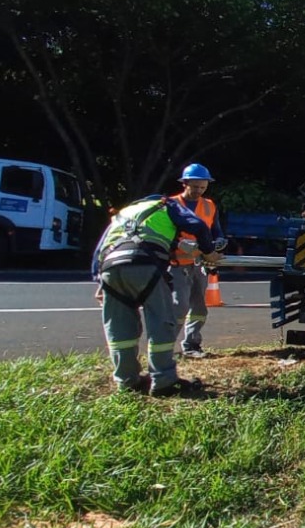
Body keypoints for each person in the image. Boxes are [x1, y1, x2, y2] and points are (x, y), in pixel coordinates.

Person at [92, 195, 222, 397]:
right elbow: (199, 225)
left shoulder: (123, 213)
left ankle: (127, 381)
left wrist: (99, 280)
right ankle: (163, 381)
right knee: (162, 322)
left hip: (110, 268)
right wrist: (209, 252)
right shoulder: (167, 205)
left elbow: (99, 249)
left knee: (119, 329)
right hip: (145, 264)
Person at [169, 163, 226, 359]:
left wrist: (219, 240)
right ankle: (166, 346)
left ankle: (192, 344)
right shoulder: (171, 204)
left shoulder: (209, 205)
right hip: (176, 263)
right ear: (185, 184)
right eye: (194, 187)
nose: (198, 191)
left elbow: (215, 230)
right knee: (180, 305)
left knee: (199, 307)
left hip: (199, 263)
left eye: (202, 187)